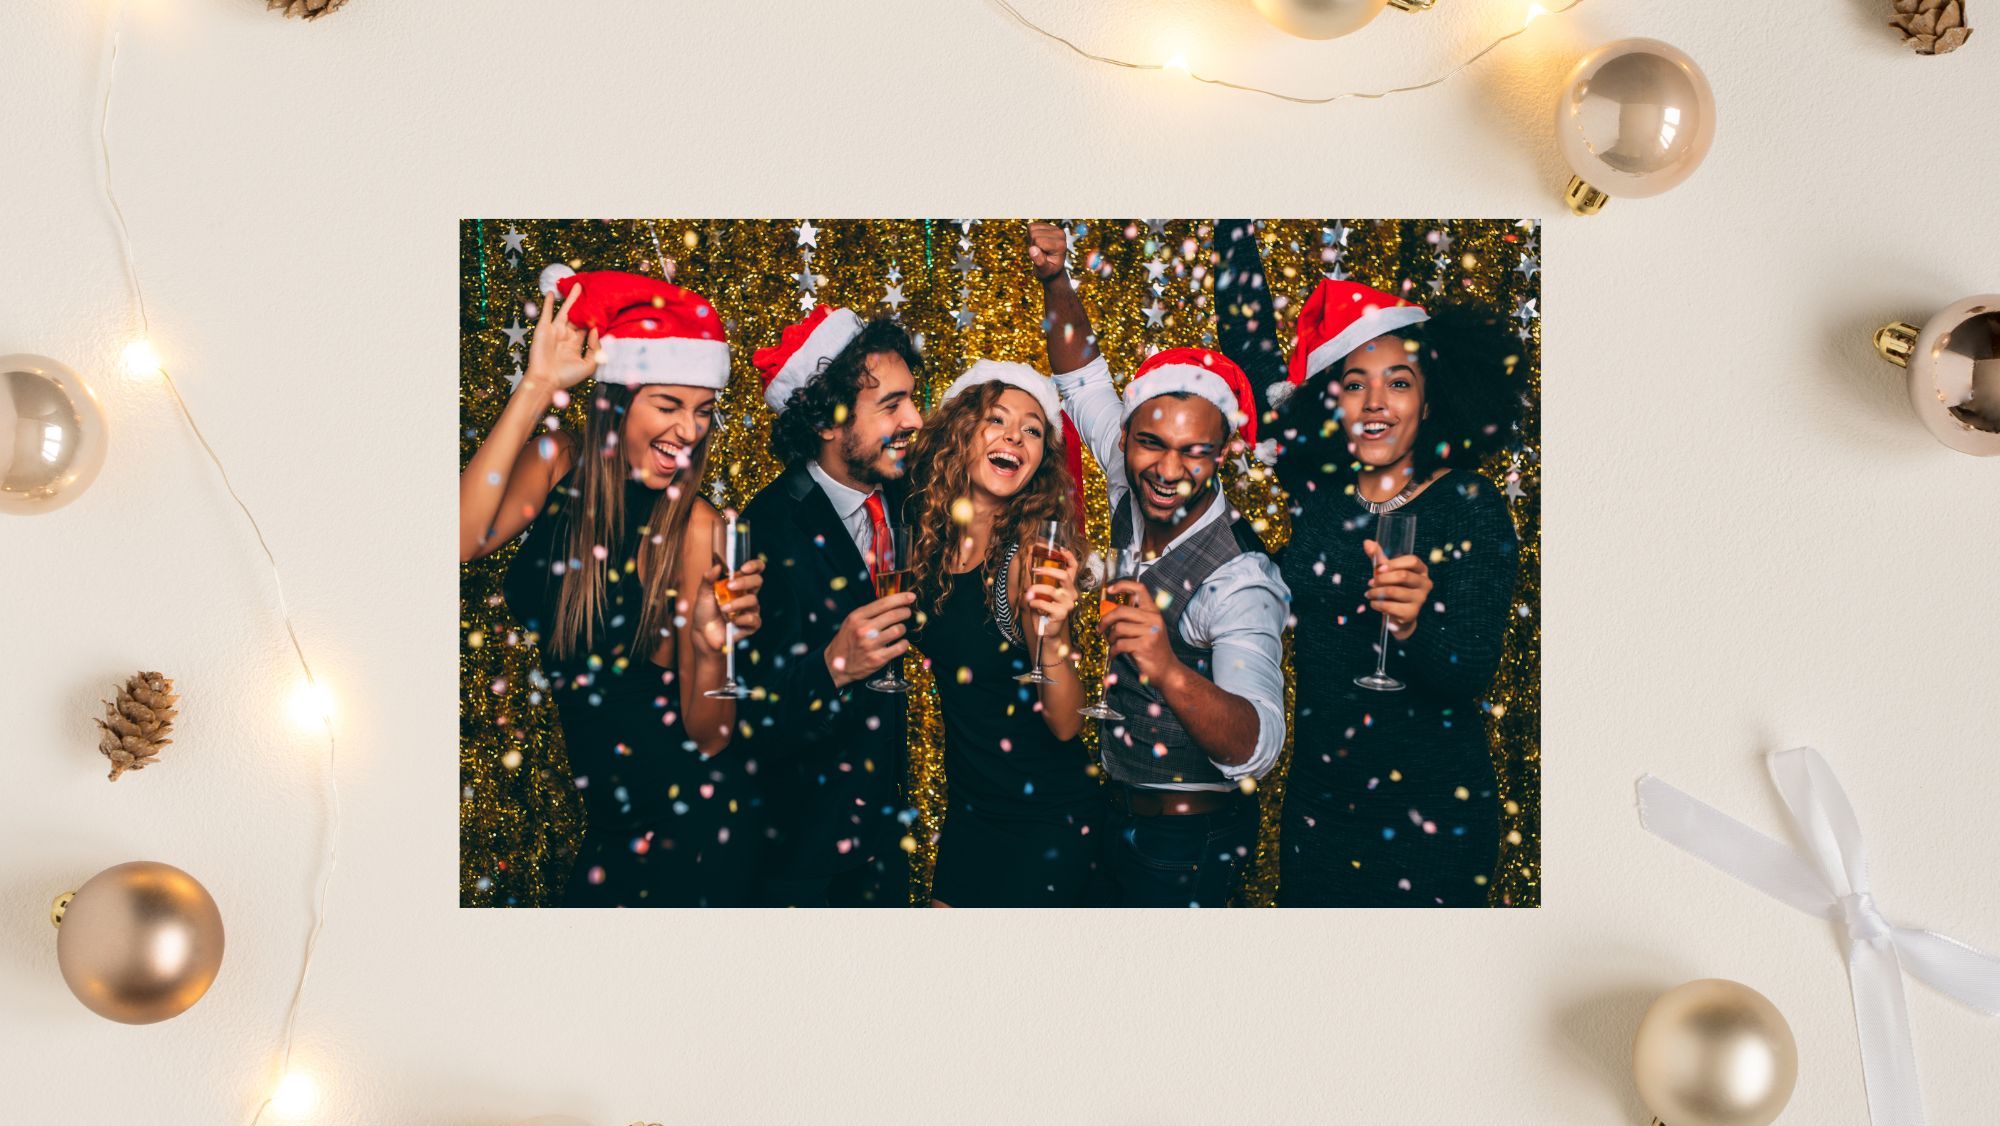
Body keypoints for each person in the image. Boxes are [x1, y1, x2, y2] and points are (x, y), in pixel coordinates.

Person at [460, 268, 766, 907]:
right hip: (613, 829)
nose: (689, 430)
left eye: (703, 410)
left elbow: (711, 736)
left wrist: (713, 651)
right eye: (668, 405)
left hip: (685, 834)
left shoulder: (700, 529)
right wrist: (539, 384)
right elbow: (455, 540)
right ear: (619, 399)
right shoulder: (558, 463)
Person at [1027, 222, 1290, 908]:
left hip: (1190, 843)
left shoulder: (1241, 578)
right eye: (1150, 444)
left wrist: (1166, 666)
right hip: (1112, 812)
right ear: (1127, 437)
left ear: (1221, 453)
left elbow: (1260, 745)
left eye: (1193, 453)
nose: (1168, 471)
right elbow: (1081, 378)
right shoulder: (1127, 479)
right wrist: (1057, 280)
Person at [1263, 275, 1525, 907]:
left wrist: (1413, 629)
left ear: (1430, 400)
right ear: (1333, 402)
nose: (1375, 401)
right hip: (1319, 810)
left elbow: (1471, 670)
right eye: (1356, 384)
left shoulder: (1468, 504)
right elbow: (1271, 600)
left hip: (1427, 816)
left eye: (1398, 382)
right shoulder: (1324, 509)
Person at [738, 305, 924, 907]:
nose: (915, 419)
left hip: (888, 843)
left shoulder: (907, 498)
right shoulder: (765, 529)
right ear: (827, 419)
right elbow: (741, 716)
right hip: (803, 859)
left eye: (912, 400)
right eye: (892, 405)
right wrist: (833, 666)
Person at [903, 360, 1101, 907]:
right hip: (971, 810)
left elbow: (1065, 724)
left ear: (1039, 461)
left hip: (1045, 819)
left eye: (1033, 429)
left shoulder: (1028, 559)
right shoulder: (927, 542)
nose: (1015, 435)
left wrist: (1055, 630)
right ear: (960, 435)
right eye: (996, 419)